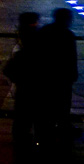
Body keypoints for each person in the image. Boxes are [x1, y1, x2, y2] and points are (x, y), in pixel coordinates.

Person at [34, 8, 80, 145]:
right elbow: (71, 57)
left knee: (46, 104)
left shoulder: (44, 31)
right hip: (62, 77)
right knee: (63, 103)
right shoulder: (68, 35)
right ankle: (62, 127)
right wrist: (73, 73)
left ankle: (45, 129)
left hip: (46, 75)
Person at [3, 12, 43, 148]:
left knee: (21, 119)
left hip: (23, 88)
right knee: (35, 117)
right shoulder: (35, 38)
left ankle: (20, 141)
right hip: (34, 87)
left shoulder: (20, 42)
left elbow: (8, 69)